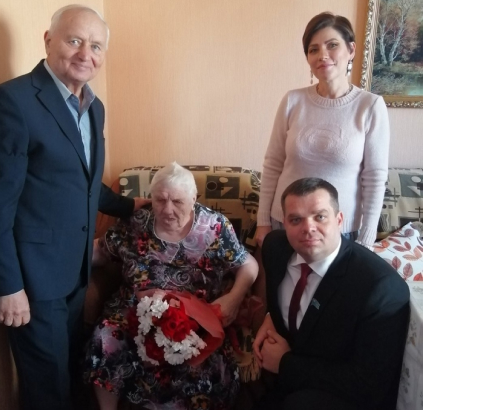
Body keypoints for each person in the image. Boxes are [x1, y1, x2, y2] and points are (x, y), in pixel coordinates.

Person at [0, 5, 149, 410]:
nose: (86, 54)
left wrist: (131, 206)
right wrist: (8, 286)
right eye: (74, 40)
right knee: (46, 391)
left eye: (96, 46)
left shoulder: (94, 107)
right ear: (49, 40)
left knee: (70, 375)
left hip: (75, 274)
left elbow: (84, 183)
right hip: (33, 281)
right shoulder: (12, 102)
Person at [84, 162, 259, 410]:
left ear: (193, 198)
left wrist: (234, 298)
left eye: (177, 201)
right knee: (106, 338)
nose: (167, 210)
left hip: (193, 317)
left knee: (200, 369)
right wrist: (63, 255)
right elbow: (101, 250)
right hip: (133, 310)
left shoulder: (214, 227)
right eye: (160, 200)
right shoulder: (137, 222)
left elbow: (248, 264)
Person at [252, 178, 409, 410]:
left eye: (320, 216)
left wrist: (285, 364)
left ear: (339, 220)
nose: (308, 228)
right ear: (284, 223)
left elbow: (368, 385)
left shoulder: (381, 289)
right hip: (283, 387)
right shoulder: (275, 248)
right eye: (296, 220)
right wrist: (270, 317)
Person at [255, 11, 390, 249]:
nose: (322, 55)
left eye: (332, 45)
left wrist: (367, 239)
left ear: (351, 50)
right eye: (313, 49)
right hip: (286, 224)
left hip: (340, 232)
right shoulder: (293, 101)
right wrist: (263, 221)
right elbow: (273, 164)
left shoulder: (370, 106)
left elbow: (375, 178)